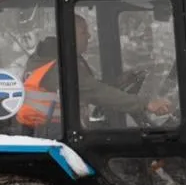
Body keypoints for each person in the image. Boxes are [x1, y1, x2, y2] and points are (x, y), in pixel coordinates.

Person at [16, 16, 172, 128]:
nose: (89, 36)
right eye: (84, 32)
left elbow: (88, 89)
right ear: (68, 35)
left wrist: (117, 82)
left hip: (56, 130)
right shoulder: (58, 67)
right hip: (52, 134)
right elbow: (95, 92)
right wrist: (146, 104)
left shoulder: (56, 59)